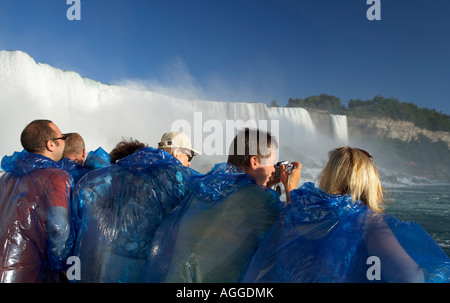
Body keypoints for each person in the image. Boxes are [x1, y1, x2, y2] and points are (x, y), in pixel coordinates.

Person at [243, 146, 450, 283]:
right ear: (369, 180)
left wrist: (290, 187)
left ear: (328, 175)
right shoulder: (365, 220)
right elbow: (410, 277)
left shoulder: (295, 213)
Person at [142, 128, 301, 283]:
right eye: (272, 163)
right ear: (254, 161)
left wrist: (263, 186)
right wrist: (290, 189)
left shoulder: (210, 185)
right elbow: (294, 235)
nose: (274, 169)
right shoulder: (261, 202)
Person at [70, 136, 200, 282]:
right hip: (147, 262)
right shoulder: (173, 180)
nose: (189, 163)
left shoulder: (104, 179)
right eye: (188, 156)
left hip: (110, 258)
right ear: (176, 152)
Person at [0, 119, 74, 283]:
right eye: (63, 138)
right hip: (27, 272)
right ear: (51, 145)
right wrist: (60, 267)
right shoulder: (57, 177)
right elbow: (58, 228)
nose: (64, 142)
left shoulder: (6, 177)